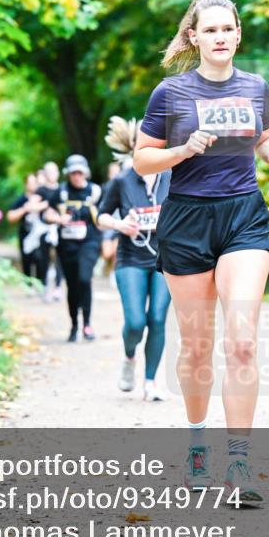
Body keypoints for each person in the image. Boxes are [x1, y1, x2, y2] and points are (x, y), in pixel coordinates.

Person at [132, 0, 269, 502]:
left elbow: (263, 137)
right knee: (198, 345)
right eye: (211, 30)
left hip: (243, 216)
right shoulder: (170, 93)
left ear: (238, 34)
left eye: (228, 29)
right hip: (185, 220)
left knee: (243, 340)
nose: (221, 37)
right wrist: (183, 149)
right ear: (193, 38)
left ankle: (240, 464)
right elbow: (142, 161)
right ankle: (198, 442)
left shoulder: (256, 87)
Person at [98, 117, 172, 403]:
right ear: (136, 146)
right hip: (130, 258)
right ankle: (129, 357)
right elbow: (101, 215)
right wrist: (119, 226)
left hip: (165, 259)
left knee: (157, 318)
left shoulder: (171, 173)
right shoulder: (122, 180)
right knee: (135, 322)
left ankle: (151, 382)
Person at [43, 155, 103, 342]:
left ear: (85, 172)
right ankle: (74, 325)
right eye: (72, 173)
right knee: (72, 285)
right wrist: (57, 219)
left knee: (84, 279)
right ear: (68, 174)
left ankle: (87, 323)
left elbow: (106, 212)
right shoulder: (60, 192)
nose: (76, 176)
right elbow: (47, 213)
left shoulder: (95, 191)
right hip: (67, 244)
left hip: (90, 241)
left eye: (79, 172)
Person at [6, 173, 51, 280]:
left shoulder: (44, 197)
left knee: (41, 260)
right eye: (30, 183)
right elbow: (10, 216)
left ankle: (42, 285)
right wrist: (25, 209)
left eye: (34, 182)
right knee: (27, 260)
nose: (32, 185)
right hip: (25, 234)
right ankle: (28, 283)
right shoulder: (21, 200)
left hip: (42, 236)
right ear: (26, 185)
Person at [36, 162, 65, 302]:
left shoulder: (63, 189)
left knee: (60, 257)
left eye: (54, 171)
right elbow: (32, 205)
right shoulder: (41, 190)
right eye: (49, 171)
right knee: (44, 259)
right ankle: (44, 286)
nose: (51, 174)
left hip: (60, 228)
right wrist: (47, 205)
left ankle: (58, 287)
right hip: (43, 229)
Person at [100, 161, 123, 277]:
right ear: (109, 174)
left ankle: (114, 273)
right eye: (112, 172)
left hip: (121, 223)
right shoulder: (105, 188)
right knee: (106, 253)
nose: (114, 174)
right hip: (108, 224)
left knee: (116, 251)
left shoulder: (124, 185)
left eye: (116, 172)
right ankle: (106, 265)